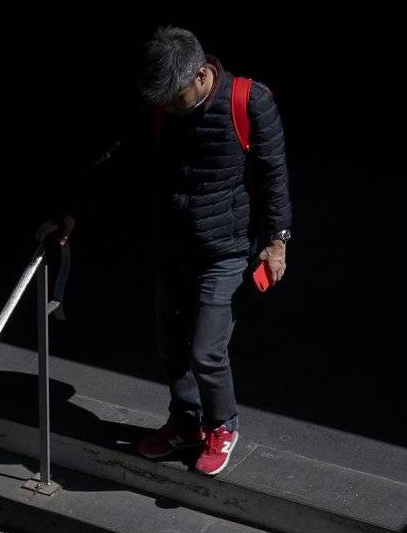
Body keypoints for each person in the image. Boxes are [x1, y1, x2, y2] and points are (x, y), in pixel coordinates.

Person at [35, 26, 292, 477]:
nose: (169, 108)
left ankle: (222, 425)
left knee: (206, 351)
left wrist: (277, 242)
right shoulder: (163, 107)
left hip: (228, 250)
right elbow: (116, 158)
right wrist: (73, 211)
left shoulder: (250, 101)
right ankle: (186, 423)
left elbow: (274, 175)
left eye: (175, 99)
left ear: (201, 75)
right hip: (177, 246)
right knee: (171, 345)